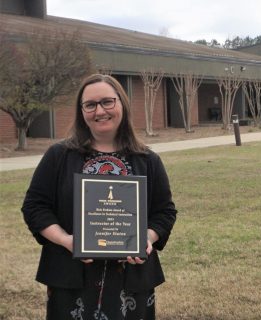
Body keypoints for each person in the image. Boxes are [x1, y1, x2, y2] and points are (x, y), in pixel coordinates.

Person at [22, 74, 177, 319]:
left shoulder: (147, 160)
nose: (99, 111)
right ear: (81, 110)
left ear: (121, 103)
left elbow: (164, 212)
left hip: (131, 279)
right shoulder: (59, 155)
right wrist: (66, 240)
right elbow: (35, 207)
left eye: (107, 101)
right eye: (90, 105)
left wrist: (146, 238)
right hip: (70, 276)